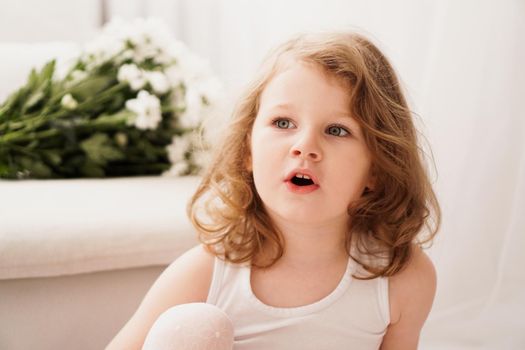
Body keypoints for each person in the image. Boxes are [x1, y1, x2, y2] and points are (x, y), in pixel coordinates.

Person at [106, 31, 441, 350]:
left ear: (378, 168)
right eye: (283, 123)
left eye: (337, 130)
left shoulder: (402, 279)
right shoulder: (204, 274)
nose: (305, 146)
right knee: (195, 324)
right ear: (247, 150)